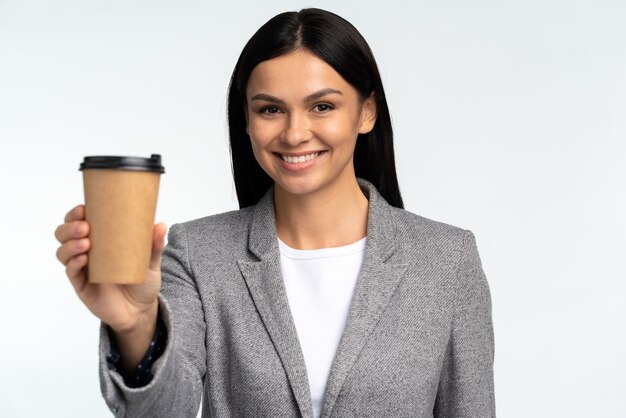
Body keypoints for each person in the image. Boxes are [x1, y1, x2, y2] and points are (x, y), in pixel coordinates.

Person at [55, 8, 495, 418]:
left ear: (366, 112)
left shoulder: (447, 260)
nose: (295, 133)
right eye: (270, 109)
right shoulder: (198, 253)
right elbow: (163, 411)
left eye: (322, 106)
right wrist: (134, 325)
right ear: (246, 121)